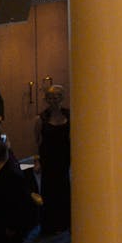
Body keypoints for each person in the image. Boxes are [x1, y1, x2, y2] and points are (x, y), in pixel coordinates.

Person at [34, 85, 71, 234]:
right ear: (46, 100)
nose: (53, 100)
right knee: (49, 189)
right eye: (50, 98)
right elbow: (36, 142)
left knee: (64, 187)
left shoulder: (69, 115)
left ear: (62, 98)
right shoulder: (40, 118)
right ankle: (50, 225)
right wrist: (37, 161)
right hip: (48, 158)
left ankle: (65, 222)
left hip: (64, 156)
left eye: (56, 97)